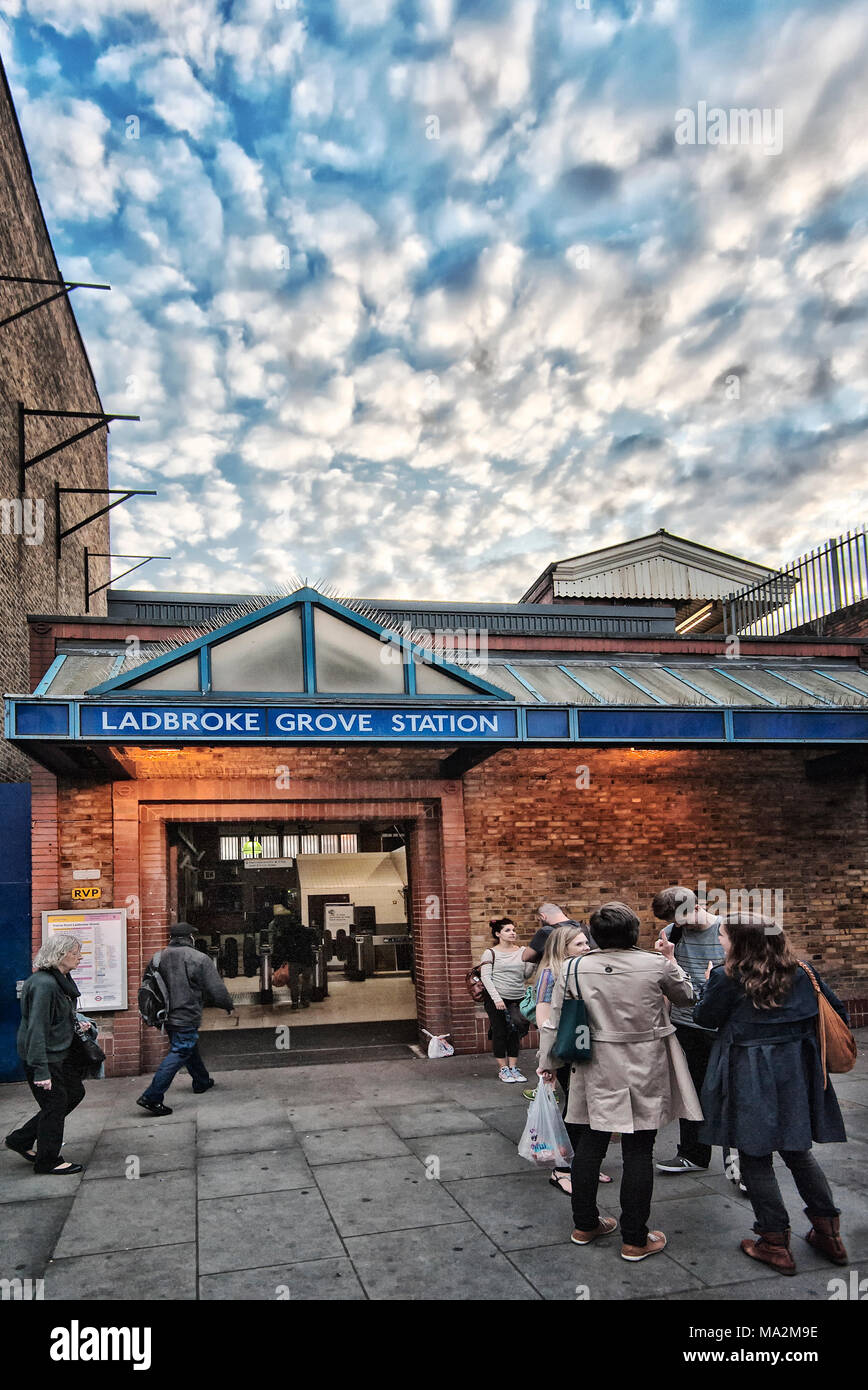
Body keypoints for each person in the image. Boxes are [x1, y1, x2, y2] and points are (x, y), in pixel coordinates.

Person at [538, 901, 701, 1261]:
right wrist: (672, 960)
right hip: (646, 1061)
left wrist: (547, 1062)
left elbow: (556, 1020)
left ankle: (585, 1224)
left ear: (594, 934)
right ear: (633, 932)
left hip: (594, 1063)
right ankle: (635, 1239)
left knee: (590, 1145)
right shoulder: (655, 964)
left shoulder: (573, 967)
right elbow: (687, 996)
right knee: (639, 1149)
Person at [693, 914, 849, 1275]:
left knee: (755, 1153)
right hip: (797, 1071)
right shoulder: (803, 972)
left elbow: (705, 1018)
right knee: (798, 1151)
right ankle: (829, 1233)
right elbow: (837, 1011)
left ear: (741, 943)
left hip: (749, 1071)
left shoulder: (726, 977)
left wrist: (706, 986)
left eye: (724, 936)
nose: (720, 941)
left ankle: (774, 1242)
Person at [651, 885, 726, 1176]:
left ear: (697, 906)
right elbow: (667, 984)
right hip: (686, 1024)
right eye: (675, 921)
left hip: (723, 1025)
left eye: (684, 918)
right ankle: (693, 1154)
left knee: (734, 1091)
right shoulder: (671, 933)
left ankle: (747, 1162)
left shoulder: (728, 930)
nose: (681, 925)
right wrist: (664, 1025)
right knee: (689, 1091)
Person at [534, 923, 612, 1194]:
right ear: (562, 948)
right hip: (566, 1052)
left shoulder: (585, 969)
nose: (587, 947)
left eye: (586, 942)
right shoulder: (550, 974)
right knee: (575, 1112)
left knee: (589, 1110)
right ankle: (562, 1169)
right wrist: (547, 1061)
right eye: (579, 944)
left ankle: (583, 1165)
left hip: (587, 1049)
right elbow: (543, 1018)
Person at [5, 935, 89, 1175]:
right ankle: (48, 1160)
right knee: (55, 1104)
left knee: (73, 1093)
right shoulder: (44, 984)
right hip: (43, 1056)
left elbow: (57, 1016)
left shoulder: (60, 979)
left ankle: (21, 1139)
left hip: (59, 1052)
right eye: (75, 953)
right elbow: (37, 1028)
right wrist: (41, 1070)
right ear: (60, 955)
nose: (79, 957)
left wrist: (74, 1024)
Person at [137, 922, 235, 1116]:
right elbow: (215, 988)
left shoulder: (158, 957)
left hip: (164, 1015)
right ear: (190, 938)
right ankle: (152, 1096)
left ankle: (201, 1080)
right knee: (181, 1050)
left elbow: (148, 985)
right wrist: (227, 1005)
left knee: (188, 1047)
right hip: (186, 1013)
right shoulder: (199, 958)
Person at [480, 918, 535, 1083]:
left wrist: (532, 962)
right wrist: (497, 999)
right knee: (500, 1032)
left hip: (518, 997)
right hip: (497, 998)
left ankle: (513, 1068)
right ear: (498, 934)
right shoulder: (490, 953)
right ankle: (503, 1068)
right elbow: (486, 977)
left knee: (515, 1032)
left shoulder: (522, 951)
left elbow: (525, 976)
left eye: (513, 930)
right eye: (507, 930)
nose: (513, 933)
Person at [270, 904, 317, 1010]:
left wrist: (283, 959)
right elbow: (313, 939)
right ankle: (305, 1001)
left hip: (294, 960)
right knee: (306, 981)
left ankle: (295, 1002)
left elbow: (283, 946)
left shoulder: (287, 932)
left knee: (294, 982)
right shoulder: (306, 931)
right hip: (306, 960)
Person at [523, 902, 589, 963]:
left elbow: (526, 957)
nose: (539, 923)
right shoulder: (586, 928)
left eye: (539, 920)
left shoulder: (546, 931)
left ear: (542, 916)